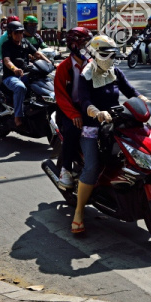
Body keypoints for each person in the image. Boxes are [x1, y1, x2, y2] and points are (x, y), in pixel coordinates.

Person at [72, 35, 151, 235]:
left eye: (112, 54)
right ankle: (78, 212)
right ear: (93, 54)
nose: (110, 58)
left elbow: (131, 91)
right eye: (105, 54)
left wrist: (148, 102)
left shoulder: (114, 71)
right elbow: (83, 101)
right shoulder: (86, 75)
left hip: (117, 123)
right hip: (92, 127)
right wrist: (96, 112)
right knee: (92, 167)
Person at [54, 27, 93, 189]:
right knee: (73, 131)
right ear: (75, 46)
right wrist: (73, 114)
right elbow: (61, 96)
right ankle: (66, 170)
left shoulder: (92, 65)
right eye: (85, 44)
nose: (89, 48)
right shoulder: (63, 68)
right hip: (68, 111)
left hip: (89, 108)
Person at [1, 21, 50, 127]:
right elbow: (6, 60)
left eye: (21, 32)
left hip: (26, 74)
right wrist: (14, 69)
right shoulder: (7, 45)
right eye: (16, 33)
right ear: (10, 34)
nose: (19, 35)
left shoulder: (25, 42)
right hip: (11, 76)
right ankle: (18, 116)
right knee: (20, 87)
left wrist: (49, 63)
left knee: (42, 82)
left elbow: (37, 53)